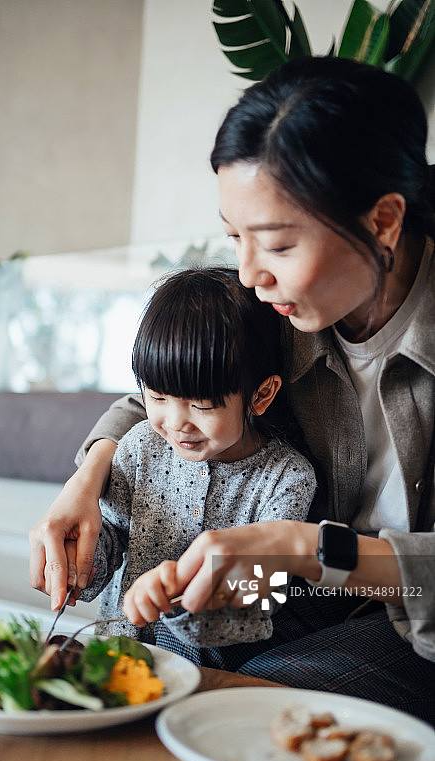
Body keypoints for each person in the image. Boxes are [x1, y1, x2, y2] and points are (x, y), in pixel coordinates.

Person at [29, 56, 435, 722]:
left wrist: (302, 549)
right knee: (143, 668)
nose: (248, 274)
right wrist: (88, 478)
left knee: (240, 702)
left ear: (382, 222)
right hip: (304, 596)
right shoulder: (284, 312)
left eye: (276, 244)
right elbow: (164, 394)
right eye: (233, 237)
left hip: (404, 618)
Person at [74, 266, 316, 668]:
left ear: (261, 395)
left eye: (201, 405)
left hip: (209, 672)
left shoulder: (286, 479)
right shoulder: (139, 446)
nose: (176, 423)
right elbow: (111, 536)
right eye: (157, 397)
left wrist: (180, 601)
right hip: (118, 657)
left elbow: (259, 600)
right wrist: (78, 565)